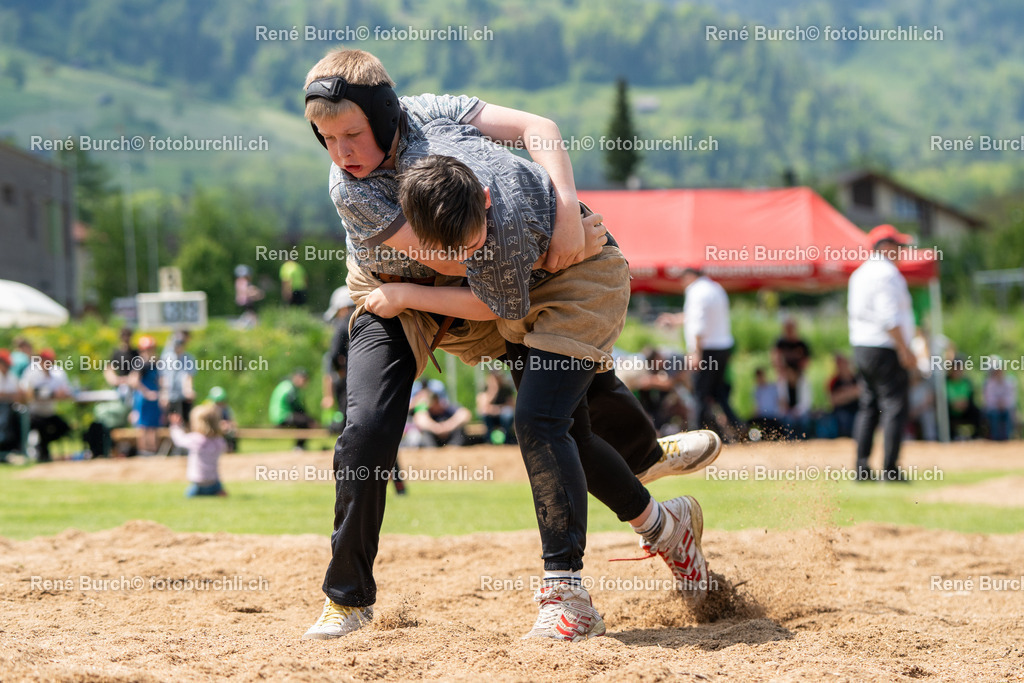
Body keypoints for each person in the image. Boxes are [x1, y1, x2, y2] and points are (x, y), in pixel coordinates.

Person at [300, 48, 721, 641]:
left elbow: (535, 135)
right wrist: (400, 294)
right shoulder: (354, 189)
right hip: (399, 289)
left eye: (352, 133)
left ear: (387, 114)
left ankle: (638, 498)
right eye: (326, 138)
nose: (341, 153)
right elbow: (445, 266)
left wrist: (568, 211)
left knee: (553, 419)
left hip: (489, 275)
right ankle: (347, 599)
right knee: (367, 429)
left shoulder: (456, 153)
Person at [372, 153, 710, 641]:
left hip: (580, 290)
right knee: (571, 437)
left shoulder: (505, 223)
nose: (471, 255)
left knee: (538, 423)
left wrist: (406, 295)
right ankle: (664, 523)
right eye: (457, 252)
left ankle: (566, 593)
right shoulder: (438, 180)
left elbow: (488, 302)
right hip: (527, 307)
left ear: (486, 201)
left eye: (473, 242)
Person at [848, 225, 916, 482]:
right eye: (899, 247)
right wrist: (905, 349)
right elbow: (890, 317)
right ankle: (890, 469)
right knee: (894, 406)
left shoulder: (859, 273)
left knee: (868, 407)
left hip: (862, 346)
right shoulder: (888, 274)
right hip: (885, 346)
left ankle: (862, 467)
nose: (902, 252)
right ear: (886, 247)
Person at [658, 269, 744, 441]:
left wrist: (696, 352)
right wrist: (675, 319)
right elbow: (699, 317)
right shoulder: (715, 288)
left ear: (689, 277)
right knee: (718, 393)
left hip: (706, 349)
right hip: (722, 347)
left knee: (699, 394)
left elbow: (698, 324)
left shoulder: (695, 291)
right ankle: (739, 429)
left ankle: (699, 436)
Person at [20, 349, 73, 462]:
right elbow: (26, 392)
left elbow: (66, 391)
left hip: (49, 412)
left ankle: (42, 446)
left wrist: (60, 394)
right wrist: (50, 393)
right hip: (34, 412)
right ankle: (42, 451)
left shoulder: (57, 372)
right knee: (41, 426)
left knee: (64, 428)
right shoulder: (31, 372)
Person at [169, 405, 228, 497]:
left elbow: (179, 440)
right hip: (215, 482)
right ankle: (219, 492)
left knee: (188, 496)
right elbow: (225, 448)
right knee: (217, 491)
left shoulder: (196, 439)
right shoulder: (219, 441)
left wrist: (175, 427)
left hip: (199, 483)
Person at [321, 286, 356, 431]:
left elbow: (334, 354)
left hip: (352, 377)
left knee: (349, 413)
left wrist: (340, 369)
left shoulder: (343, 324)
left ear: (343, 308)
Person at [410, 381, 471, 447]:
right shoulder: (425, 409)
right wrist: (436, 428)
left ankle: (453, 448)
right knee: (425, 433)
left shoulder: (448, 407)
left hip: (450, 438)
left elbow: (465, 414)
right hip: (433, 441)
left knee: (460, 430)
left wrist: (447, 426)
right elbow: (420, 419)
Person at [128, 336, 162, 455]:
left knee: (154, 426)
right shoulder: (140, 363)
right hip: (143, 399)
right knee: (143, 426)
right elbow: (133, 381)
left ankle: (153, 451)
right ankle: (143, 452)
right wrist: (146, 393)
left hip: (154, 398)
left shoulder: (156, 363)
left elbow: (159, 381)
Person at [269, 368, 316, 449]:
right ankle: (299, 446)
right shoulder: (289, 387)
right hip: (282, 416)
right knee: (305, 421)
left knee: (304, 420)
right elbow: (295, 406)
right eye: (304, 380)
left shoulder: (287, 385)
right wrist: (309, 418)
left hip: (280, 415)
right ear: (297, 378)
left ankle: (299, 446)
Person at [161, 332, 197, 425]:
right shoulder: (166, 358)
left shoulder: (189, 358)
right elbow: (163, 377)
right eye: (176, 343)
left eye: (180, 343)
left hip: (182, 395)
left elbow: (188, 376)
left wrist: (188, 390)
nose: (177, 346)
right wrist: (164, 393)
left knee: (186, 420)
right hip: (170, 395)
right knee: (168, 422)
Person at [476, 368, 516, 444]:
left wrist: (496, 409)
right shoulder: (485, 388)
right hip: (491, 416)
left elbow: (512, 406)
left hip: (502, 415)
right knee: (485, 414)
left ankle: (507, 439)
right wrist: (493, 390)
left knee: (507, 414)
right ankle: (488, 440)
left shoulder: (506, 389)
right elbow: (482, 408)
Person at [827, 354, 860, 439]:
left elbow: (861, 392)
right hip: (841, 413)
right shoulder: (834, 381)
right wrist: (851, 393)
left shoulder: (857, 378)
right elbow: (833, 400)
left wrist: (843, 394)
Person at [982, 361, 1017, 441]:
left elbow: (1012, 398)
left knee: (1008, 413)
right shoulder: (989, 383)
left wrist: (1004, 404)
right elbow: (989, 400)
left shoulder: (1010, 381)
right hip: (993, 408)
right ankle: (995, 438)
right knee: (994, 414)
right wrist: (997, 404)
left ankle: (1006, 438)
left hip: (1006, 408)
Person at [946, 363, 981, 440]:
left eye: (960, 369)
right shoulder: (946, 382)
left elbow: (970, 398)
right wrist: (953, 405)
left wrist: (965, 404)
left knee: (976, 411)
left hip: (965, 409)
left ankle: (976, 436)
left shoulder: (966, 382)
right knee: (944, 413)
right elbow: (944, 399)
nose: (958, 371)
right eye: (956, 369)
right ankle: (950, 436)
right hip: (950, 410)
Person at [0, 349, 24, 457]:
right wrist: (10, 396)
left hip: (10, 408)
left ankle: (13, 448)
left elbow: (20, 394)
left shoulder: (11, 376)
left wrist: (7, 396)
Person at [749, 367, 784, 440]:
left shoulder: (772, 388)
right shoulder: (756, 390)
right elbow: (756, 406)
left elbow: (779, 401)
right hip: (762, 416)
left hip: (772, 415)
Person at [206, 386, 238, 452]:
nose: (221, 403)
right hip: (212, 430)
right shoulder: (207, 410)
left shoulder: (226, 409)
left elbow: (232, 421)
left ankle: (230, 450)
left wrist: (229, 425)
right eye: (218, 401)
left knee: (231, 432)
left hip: (223, 430)